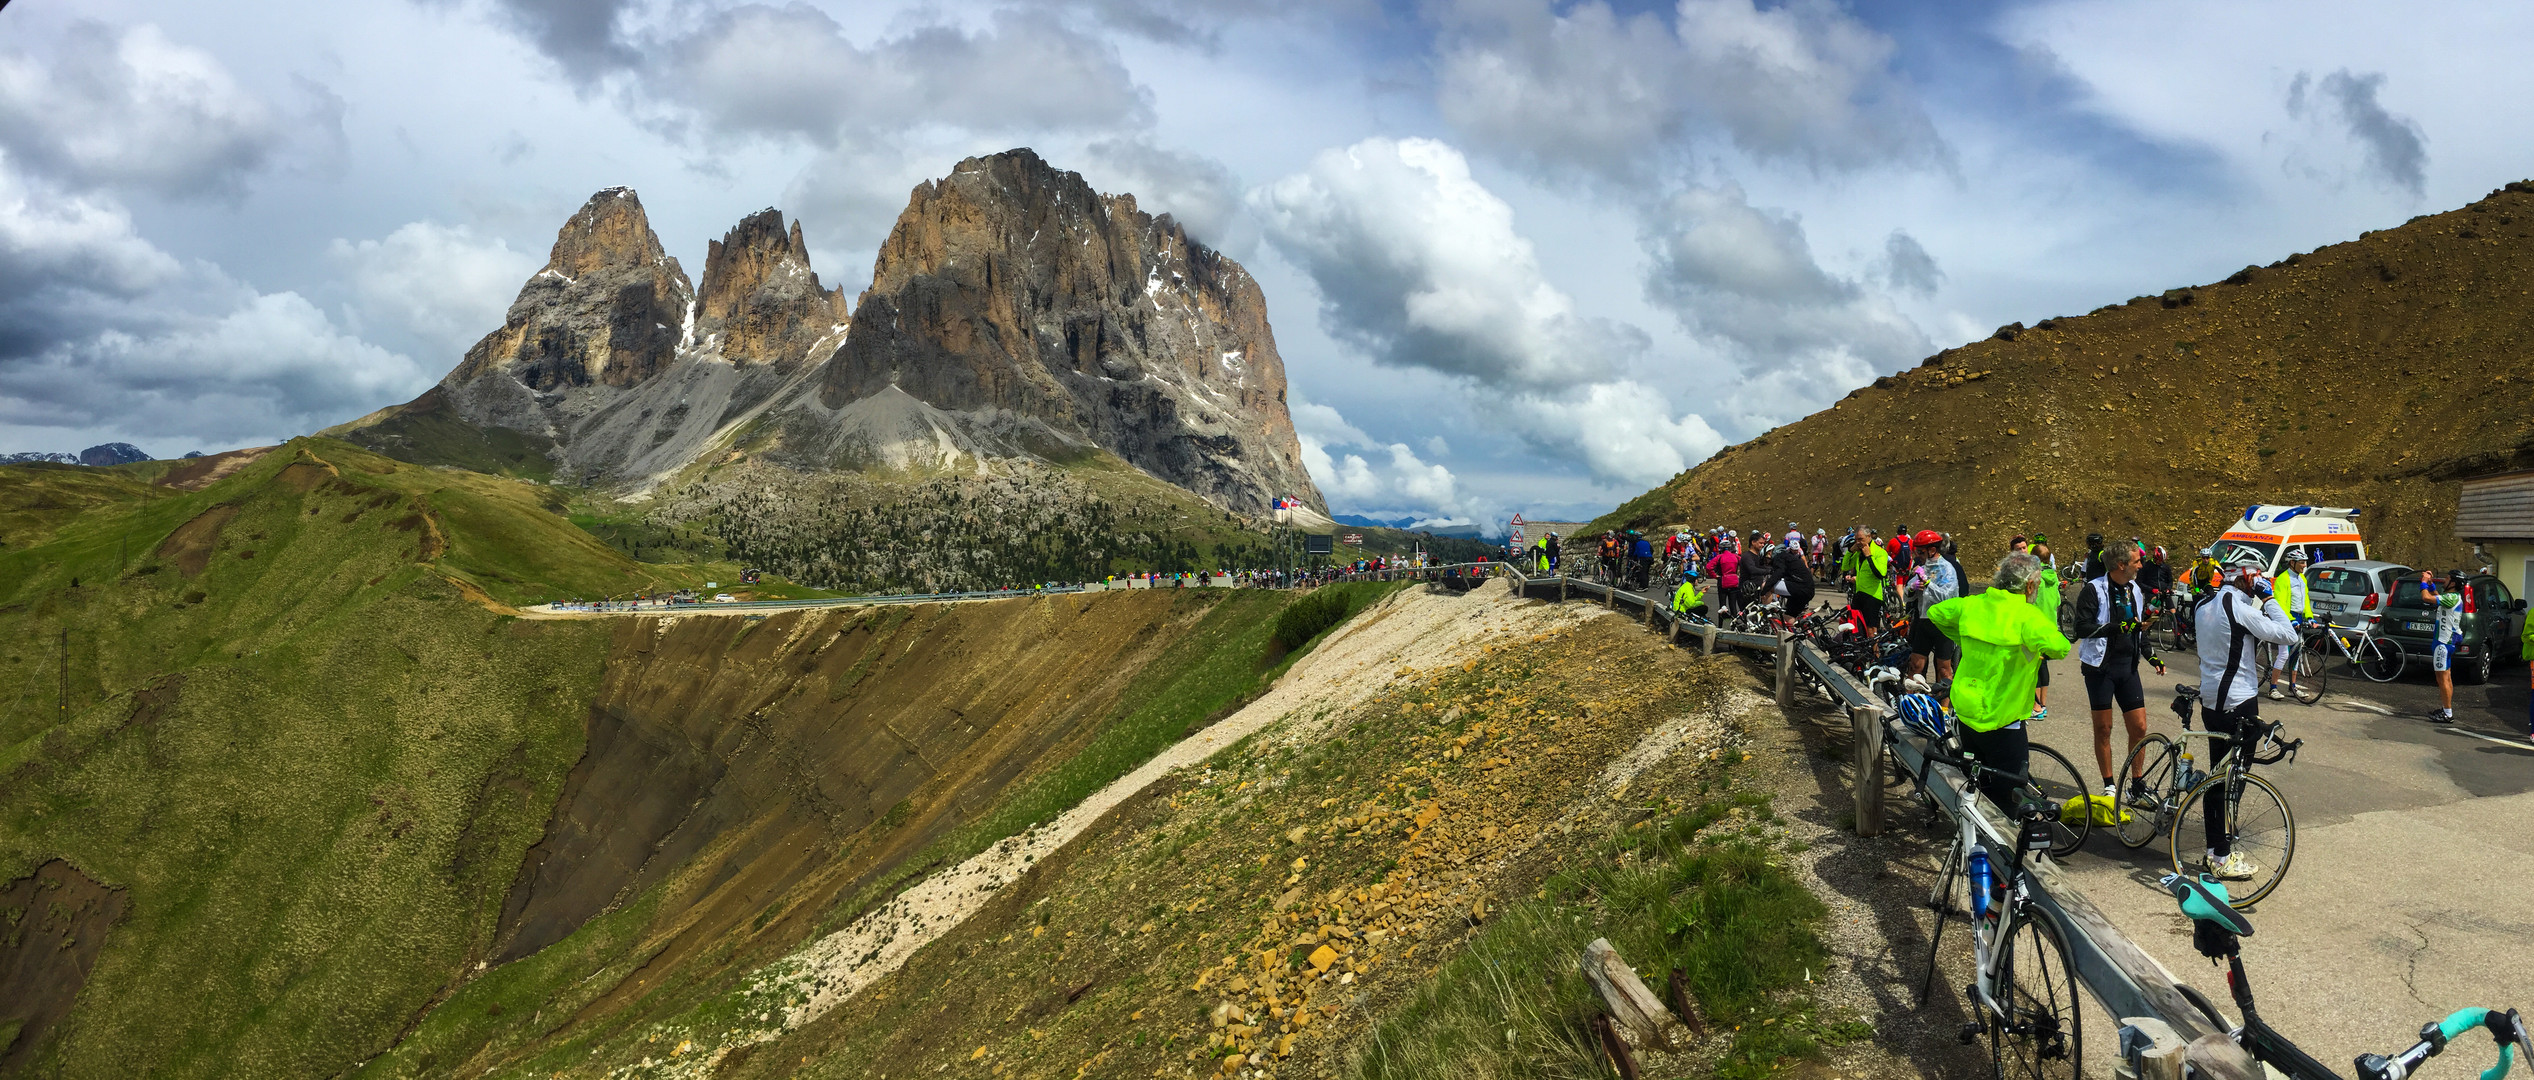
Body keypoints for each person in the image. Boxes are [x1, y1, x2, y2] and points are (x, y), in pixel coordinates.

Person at [1927, 551, 2072, 817]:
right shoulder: (2027, 616)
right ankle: (2000, 849)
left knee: (1977, 783)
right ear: (2030, 585)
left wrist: (1963, 634)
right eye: (2037, 586)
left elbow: (1936, 612)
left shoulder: (1972, 605)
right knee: (2008, 795)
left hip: (1968, 711)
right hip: (2004, 719)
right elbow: (2060, 646)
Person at [2194, 553, 2300, 879]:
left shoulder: (2203, 605)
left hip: (2211, 703)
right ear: (2248, 578)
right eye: (2259, 577)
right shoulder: (2238, 608)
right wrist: (2267, 597)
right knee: (2231, 783)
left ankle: (2215, 851)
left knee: (2217, 778)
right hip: (2239, 705)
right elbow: (2288, 635)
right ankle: (2221, 855)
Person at [2077, 544, 2167, 800]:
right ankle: (2109, 785)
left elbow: (2138, 628)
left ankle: (2136, 783)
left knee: (2139, 728)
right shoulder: (2094, 589)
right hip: (2100, 668)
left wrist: (2151, 656)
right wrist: (2116, 628)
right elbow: (2082, 628)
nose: (2141, 565)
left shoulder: (2134, 589)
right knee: (2104, 729)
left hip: (2127, 667)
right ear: (2121, 565)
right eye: (2137, 561)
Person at [1904, 529, 1962, 688]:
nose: (1918, 555)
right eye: (1916, 551)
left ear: (1932, 550)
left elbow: (1947, 597)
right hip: (1924, 620)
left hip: (1943, 624)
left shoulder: (1947, 568)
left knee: (1943, 669)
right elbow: (1906, 596)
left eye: (1921, 552)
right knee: (1915, 666)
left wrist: (1928, 584)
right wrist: (1912, 588)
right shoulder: (1922, 567)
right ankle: (1910, 703)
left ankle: (1943, 710)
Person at [2267, 549, 2314, 701]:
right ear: (2292, 563)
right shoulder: (2283, 579)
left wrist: (2310, 616)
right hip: (2286, 619)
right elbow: (2280, 603)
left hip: (2299, 618)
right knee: (2284, 653)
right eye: (2302, 562)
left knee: (2297, 653)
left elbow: (2305, 601)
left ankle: (2292, 687)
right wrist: (2290, 619)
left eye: (2305, 562)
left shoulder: (2302, 579)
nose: (2304, 565)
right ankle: (2273, 688)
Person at [2426, 568, 2464, 723]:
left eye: (2447, 578)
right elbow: (2436, 597)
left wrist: (2423, 583)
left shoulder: (2452, 597)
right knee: (2446, 677)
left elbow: (2426, 598)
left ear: (2453, 583)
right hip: (2444, 642)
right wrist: (2431, 585)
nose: (2444, 580)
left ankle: (2448, 714)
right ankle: (2446, 709)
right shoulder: (2452, 597)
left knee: (2443, 679)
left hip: (2443, 643)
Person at [2030, 542, 2063, 719]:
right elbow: (2057, 602)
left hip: (2036, 625)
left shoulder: (2036, 577)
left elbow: (2031, 601)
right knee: (2043, 665)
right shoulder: (2053, 576)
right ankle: (2043, 703)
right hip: (2050, 625)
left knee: (2035, 665)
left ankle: (2036, 707)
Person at [1840, 526, 1891, 627]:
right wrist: (1850, 552)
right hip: (1859, 593)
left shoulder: (1880, 552)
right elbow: (1845, 567)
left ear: (1869, 536)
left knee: (1871, 629)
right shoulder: (1858, 552)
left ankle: (1873, 643)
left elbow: (1880, 574)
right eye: (1856, 540)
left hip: (1872, 596)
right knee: (1854, 627)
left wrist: (1869, 556)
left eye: (1860, 539)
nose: (1858, 542)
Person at [1757, 534, 1816, 616]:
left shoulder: (1779, 558)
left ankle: (1766, 617)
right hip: (1809, 589)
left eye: (1766, 560)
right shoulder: (1789, 558)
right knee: (1789, 617)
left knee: (1765, 585)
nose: (1767, 563)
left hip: (1799, 587)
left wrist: (1763, 592)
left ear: (1769, 553)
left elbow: (1777, 574)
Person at [1707, 539, 1743, 618]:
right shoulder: (1736, 557)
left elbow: (1708, 567)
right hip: (1734, 581)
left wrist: (1714, 576)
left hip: (1722, 581)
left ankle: (1720, 625)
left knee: (1722, 606)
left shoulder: (1719, 557)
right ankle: (1734, 624)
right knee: (1733, 605)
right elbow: (1744, 564)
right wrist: (1740, 575)